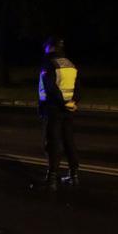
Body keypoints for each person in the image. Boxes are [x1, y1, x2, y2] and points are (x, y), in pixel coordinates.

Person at [37, 36, 81, 190]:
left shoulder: (49, 64)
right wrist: (73, 102)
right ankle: (74, 175)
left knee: (53, 142)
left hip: (53, 108)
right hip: (69, 110)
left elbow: (50, 88)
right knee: (69, 141)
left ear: (51, 47)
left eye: (46, 47)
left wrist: (62, 103)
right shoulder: (70, 64)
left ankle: (52, 179)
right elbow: (77, 87)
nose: (45, 49)